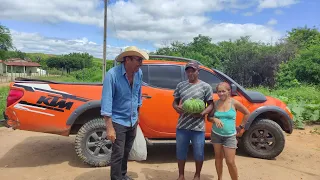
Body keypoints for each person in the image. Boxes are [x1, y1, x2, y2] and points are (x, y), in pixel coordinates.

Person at [101, 46, 149, 180]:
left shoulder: (138, 74)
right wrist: (109, 128)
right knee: (118, 153)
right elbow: (106, 102)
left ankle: (122, 175)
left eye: (141, 60)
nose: (141, 63)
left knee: (126, 151)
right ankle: (116, 178)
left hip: (132, 120)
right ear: (127, 59)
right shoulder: (112, 75)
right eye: (138, 60)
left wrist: (137, 116)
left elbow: (138, 95)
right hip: (118, 121)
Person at [172, 61, 214, 180]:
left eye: (193, 70)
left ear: (198, 71)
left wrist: (202, 113)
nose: (190, 73)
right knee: (181, 151)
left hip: (198, 126)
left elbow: (211, 104)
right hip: (182, 125)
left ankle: (197, 175)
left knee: (199, 153)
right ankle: (181, 175)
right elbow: (174, 102)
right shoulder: (181, 85)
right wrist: (176, 107)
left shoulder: (206, 87)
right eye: (188, 71)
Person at [207, 82, 250, 180]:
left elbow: (247, 113)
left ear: (229, 91)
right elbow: (209, 117)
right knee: (218, 158)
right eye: (219, 91)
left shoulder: (234, 103)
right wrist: (215, 119)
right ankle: (219, 178)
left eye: (223, 91)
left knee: (230, 162)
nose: (221, 93)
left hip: (230, 136)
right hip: (216, 134)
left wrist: (241, 126)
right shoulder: (215, 103)